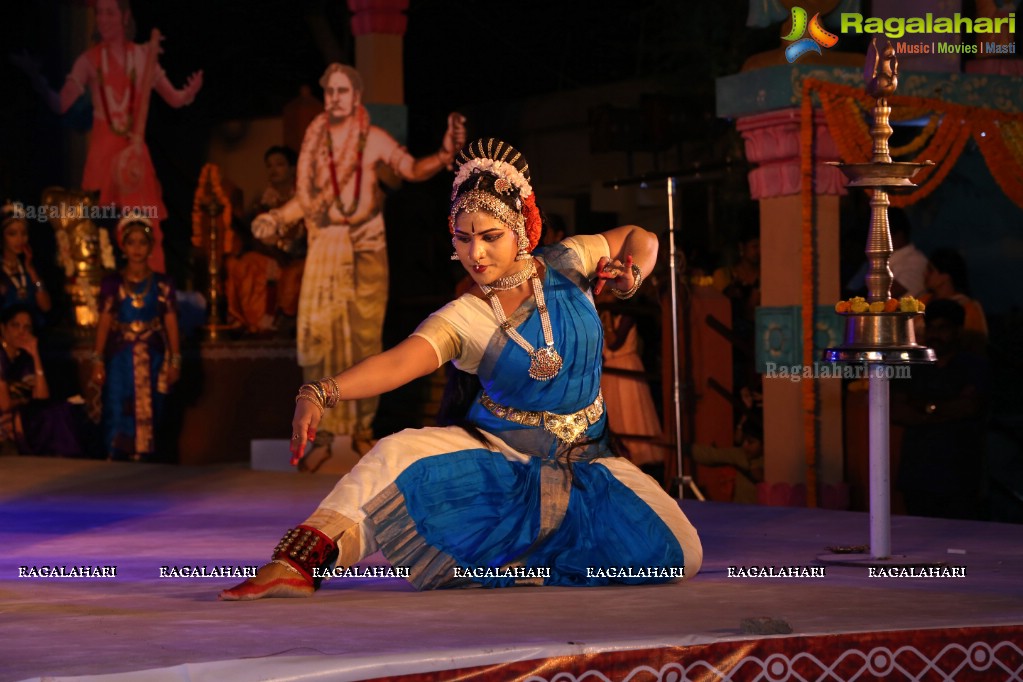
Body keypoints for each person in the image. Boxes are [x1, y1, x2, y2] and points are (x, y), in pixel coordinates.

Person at [220, 138, 702, 600]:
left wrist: (631, 275)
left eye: (491, 237)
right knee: (397, 454)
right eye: (463, 238)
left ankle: (533, 565)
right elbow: (400, 361)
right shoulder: (467, 314)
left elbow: (642, 237)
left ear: (521, 230)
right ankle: (299, 564)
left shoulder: (569, 263)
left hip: (592, 463)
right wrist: (322, 391)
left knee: (681, 554)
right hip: (506, 459)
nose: (476, 254)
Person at [252, 63, 465, 456]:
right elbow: (309, 200)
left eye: (342, 91)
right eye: (329, 91)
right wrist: (277, 217)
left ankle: (359, 426)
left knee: (363, 340)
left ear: (356, 96)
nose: (335, 98)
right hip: (324, 250)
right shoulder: (315, 143)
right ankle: (322, 426)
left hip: (365, 250)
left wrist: (443, 154)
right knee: (319, 337)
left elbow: (412, 169)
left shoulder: (373, 138)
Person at [13, 0, 203, 272]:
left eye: (109, 12)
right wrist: (37, 80)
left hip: (134, 160)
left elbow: (173, 98)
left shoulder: (142, 56)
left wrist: (188, 93)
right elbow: (60, 104)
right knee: (101, 227)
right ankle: (106, 297)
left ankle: (152, 294)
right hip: (103, 158)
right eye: (99, 13)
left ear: (125, 17)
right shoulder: (88, 60)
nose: (103, 19)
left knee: (144, 224)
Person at [90, 215, 181, 461]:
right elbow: (105, 322)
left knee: (154, 407)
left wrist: (174, 360)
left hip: (153, 355)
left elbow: (170, 322)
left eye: (143, 242)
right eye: (132, 242)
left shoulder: (162, 284)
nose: (137, 248)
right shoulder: (113, 283)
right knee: (118, 404)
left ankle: (149, 460)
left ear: (151, 246)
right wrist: (97, 359)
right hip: (120, 356)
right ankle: (116, 456)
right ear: (123, 246)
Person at [893, 299, 990, 520]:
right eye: (931, 328)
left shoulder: (974, 366)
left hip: (960, 473)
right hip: (918, 473)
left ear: (958, 331)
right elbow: (896, 411)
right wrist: (944, 411)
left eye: (942, 328)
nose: (935, 334)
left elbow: (968, 407)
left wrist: (924, 407)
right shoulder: (914, 366)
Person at [597, 287, 666, 478]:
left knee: (631, 414)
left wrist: (608, 317)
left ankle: (637, 460)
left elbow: (614, 343)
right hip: (610, 371)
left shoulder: (626, 317)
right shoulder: (602, 315)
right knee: (615, 415)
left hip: (626, 365)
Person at [0, 304, 85, 457]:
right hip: (7, 417)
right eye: (15, 326)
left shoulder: (22, 358)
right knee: (49, 416)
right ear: (3, 328)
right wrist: (25, 400)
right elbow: (5, 404)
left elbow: (41, 397)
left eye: (27, 327)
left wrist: (35, 355)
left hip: (18, 414)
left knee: (61, 409)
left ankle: (68, 461)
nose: (21, 332)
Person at [920, 248, 988, 354]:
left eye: (930, 270)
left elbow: (976, 345)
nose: (925, 274)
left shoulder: (968, 308)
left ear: (945, 276)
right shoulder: (922, 301)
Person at [0, 203, 52, 322]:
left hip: (32, 332)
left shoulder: (30, 267)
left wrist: (31, 270)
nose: (20, 239)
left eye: (23, 233)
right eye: (12, 234)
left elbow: (46, 307)